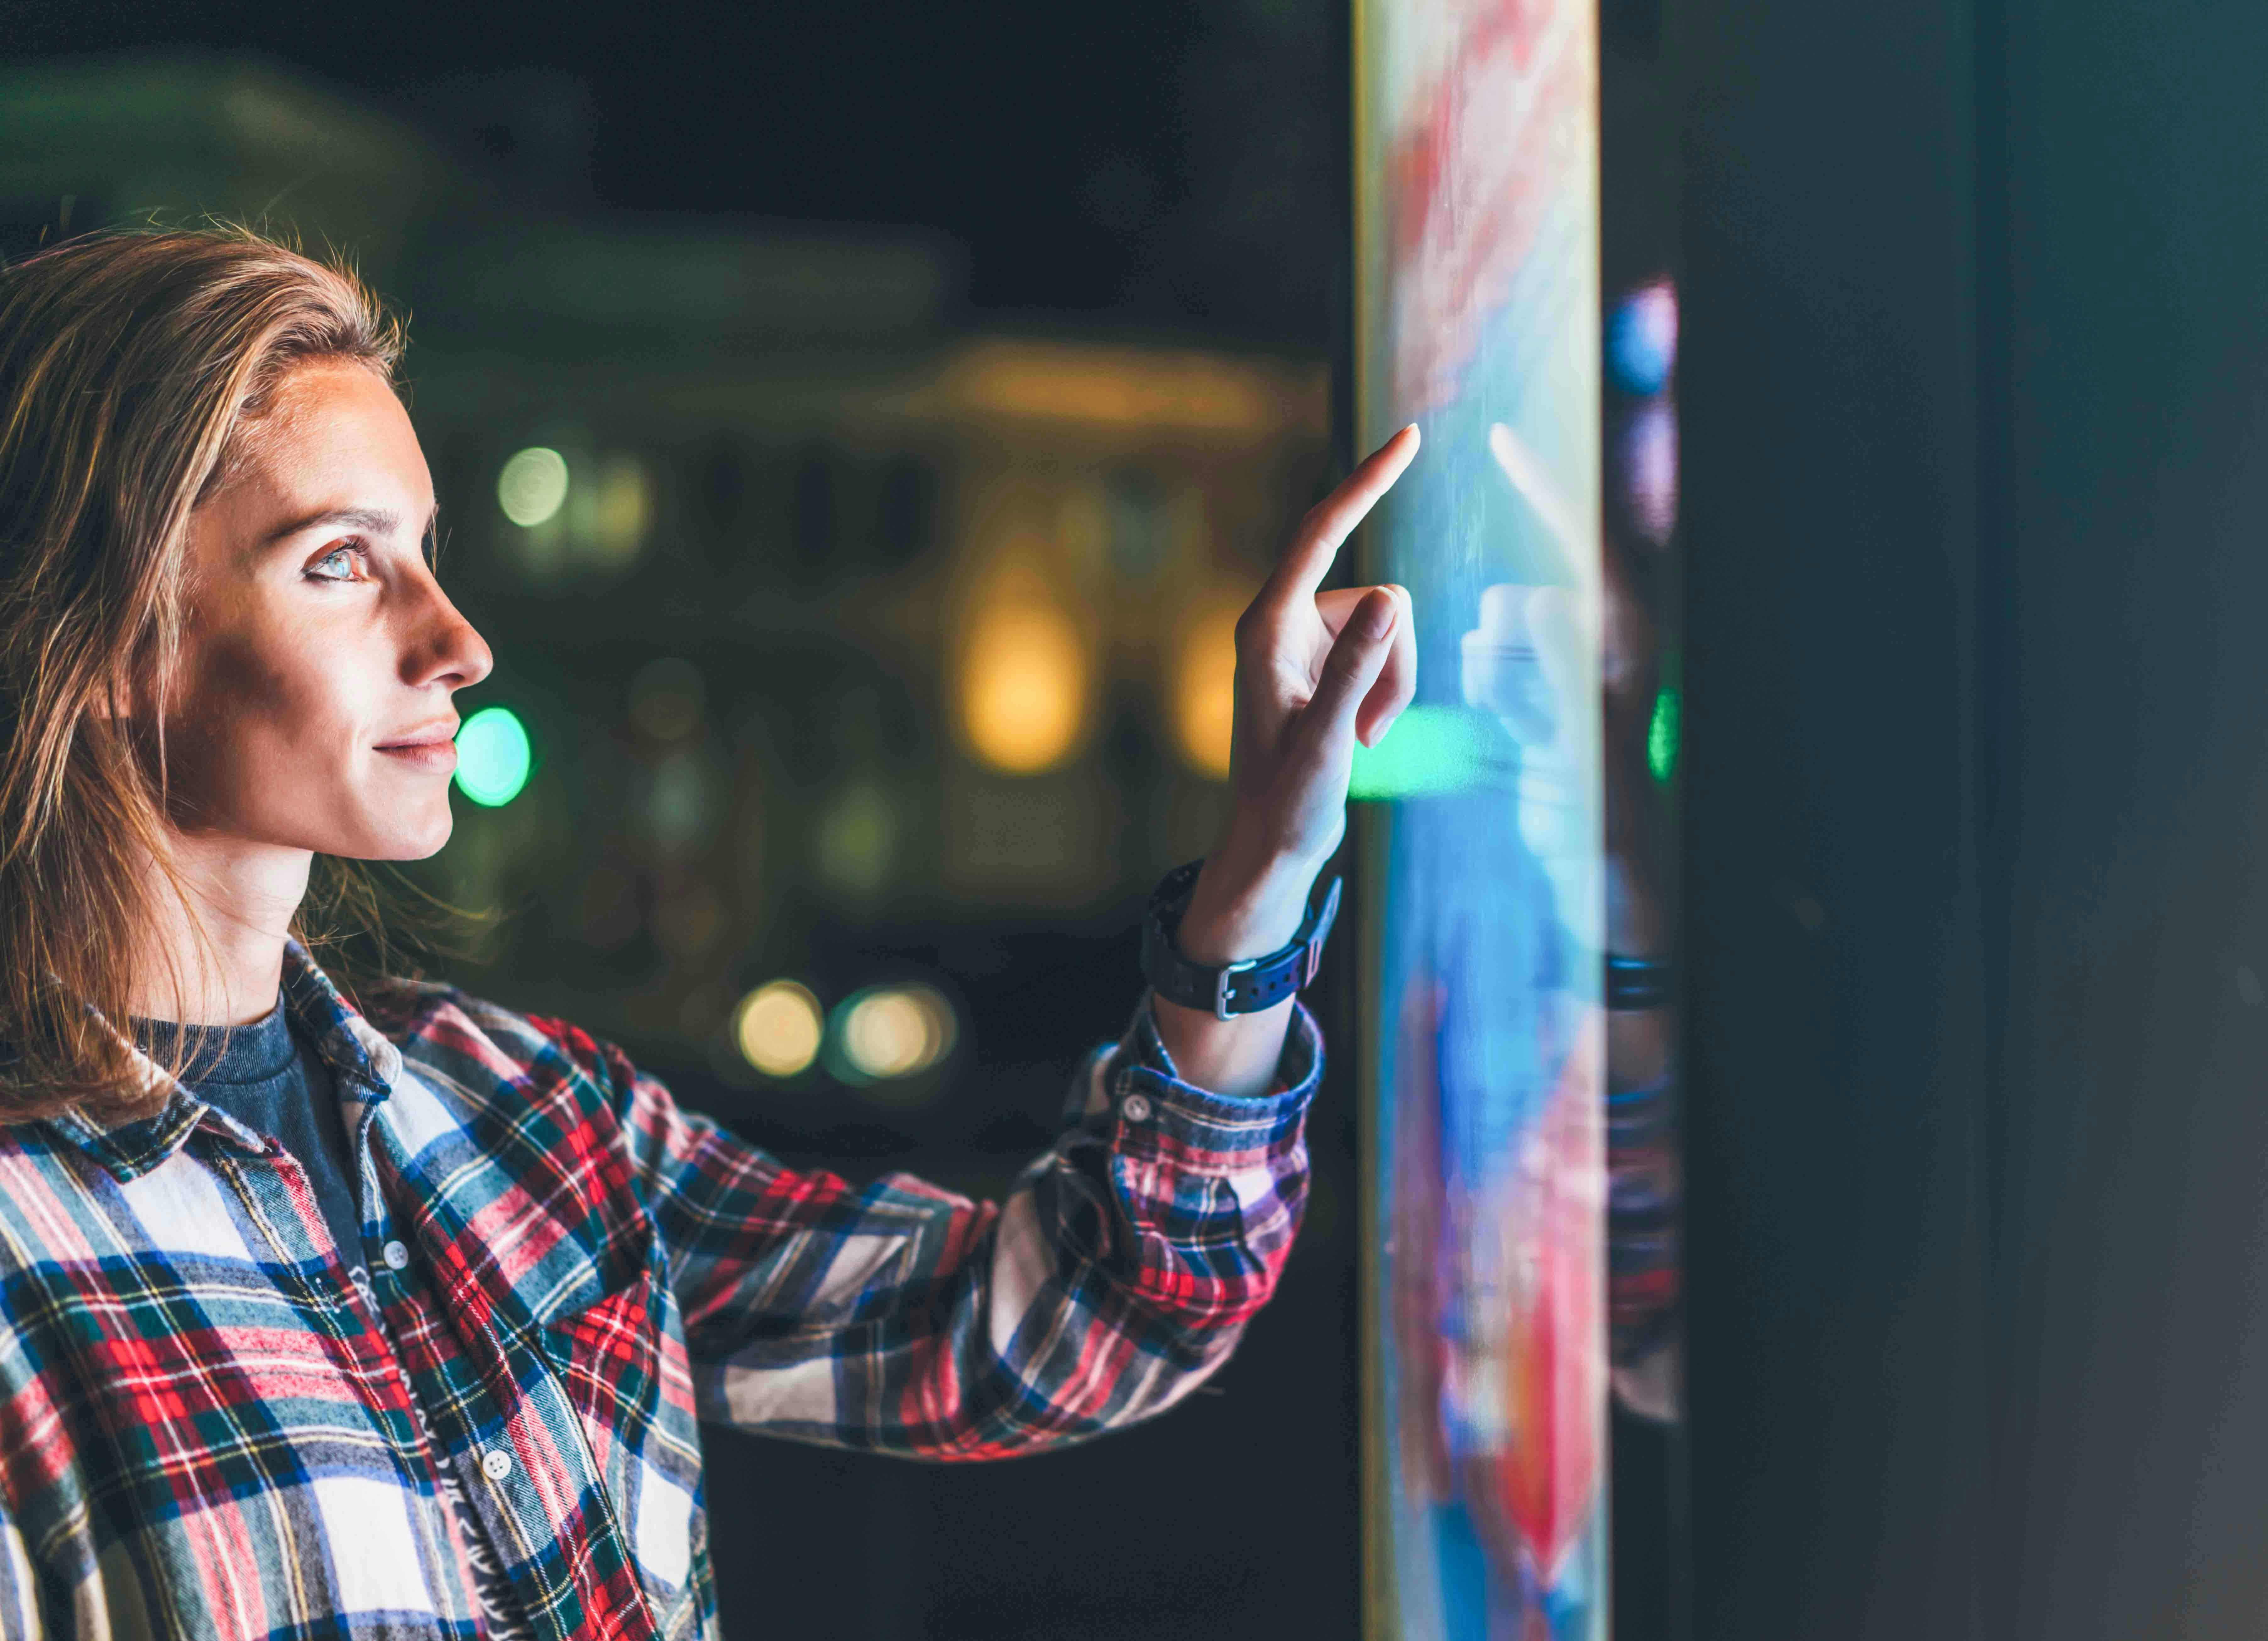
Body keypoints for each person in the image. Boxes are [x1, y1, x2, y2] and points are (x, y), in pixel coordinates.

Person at [0, 230, 1419, 1639]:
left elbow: (1083, 1319)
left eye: (423, 550)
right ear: (110, 639)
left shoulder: (526, 1117)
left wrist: (1260, 879)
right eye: (338, 563)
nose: (458, 643)